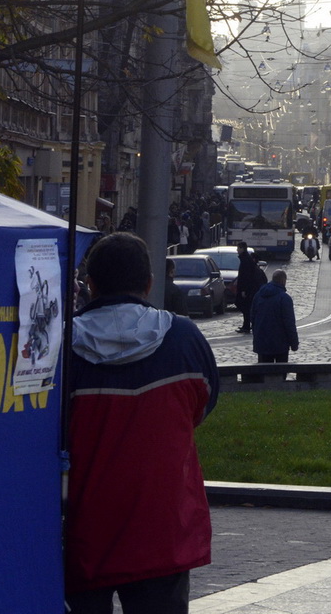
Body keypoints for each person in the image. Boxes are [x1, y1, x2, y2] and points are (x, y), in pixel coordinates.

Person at [64, 232, 219, 613]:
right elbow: (202, 407)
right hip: (163, 530)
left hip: (83, 530)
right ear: (149, 284)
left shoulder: (62, 348)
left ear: (91, 285)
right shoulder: (184, 340)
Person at [251, 268, 299, 363]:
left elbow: (252, 317)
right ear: (283, 281)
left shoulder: (258, 295)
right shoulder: (284, 298)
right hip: (280, 344)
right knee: (280, 373)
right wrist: (294, 343)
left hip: (262, 343)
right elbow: (289, 323)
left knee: (264, 373)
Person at [233, 241, 266, 334]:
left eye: (238, 248)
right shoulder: (245, 258)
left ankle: (247, 325)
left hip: (247, 289)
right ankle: (246, 324)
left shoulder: (246, 260)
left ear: (242, 248)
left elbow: (246, 276)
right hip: (246, 288)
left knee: (245, 306)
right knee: (244, 306)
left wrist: (244, 290)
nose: (237, 250)